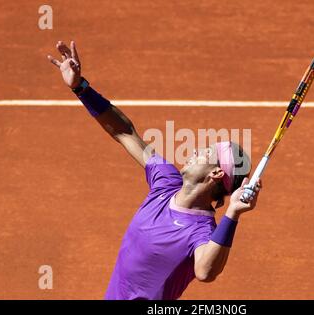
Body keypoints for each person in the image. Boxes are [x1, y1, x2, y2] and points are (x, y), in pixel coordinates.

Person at [47, 41, 262, 300]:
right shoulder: (165, 180)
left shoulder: (201, 231)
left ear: (215, 173)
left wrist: (233, 213)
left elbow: (205, 271)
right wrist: (81, 88)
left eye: (205, 152)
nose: (194, 152)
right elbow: (124, 131)